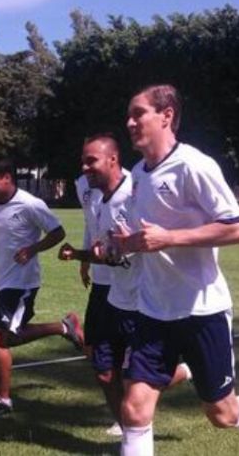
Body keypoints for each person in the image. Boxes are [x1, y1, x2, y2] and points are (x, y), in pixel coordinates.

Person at [113, 85, 239, 456]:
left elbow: (236, 228)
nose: (130, 122)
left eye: (139, 113)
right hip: (153, 309)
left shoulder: (194, 165)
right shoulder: (138, 173)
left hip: (202, 310)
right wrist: (129, 242)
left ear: (166, 115)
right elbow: (152, 238)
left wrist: (168, 237)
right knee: (134, 407)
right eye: (129, 115)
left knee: (222, 413)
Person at [58, 133, 192, 438]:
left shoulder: (136, 192)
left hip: (141, 298)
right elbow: (97, 234)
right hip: (110, 292)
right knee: (104, 371)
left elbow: (140, 246)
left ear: (113, 159)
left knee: (137, 378)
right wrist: (85, 257)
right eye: (83, 161)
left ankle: (183, 372)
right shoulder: (93, 192)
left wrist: (101, 254)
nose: (84, 168)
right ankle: (127, 427)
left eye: (91, 161)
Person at [0, 156, 85, 417]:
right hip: (3, 281)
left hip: (22, 282)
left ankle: (3, 400)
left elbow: (58, 233)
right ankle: (63, 327)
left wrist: (33, 248)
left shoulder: (31, 205)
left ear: (7, 178)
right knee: (8, 336)